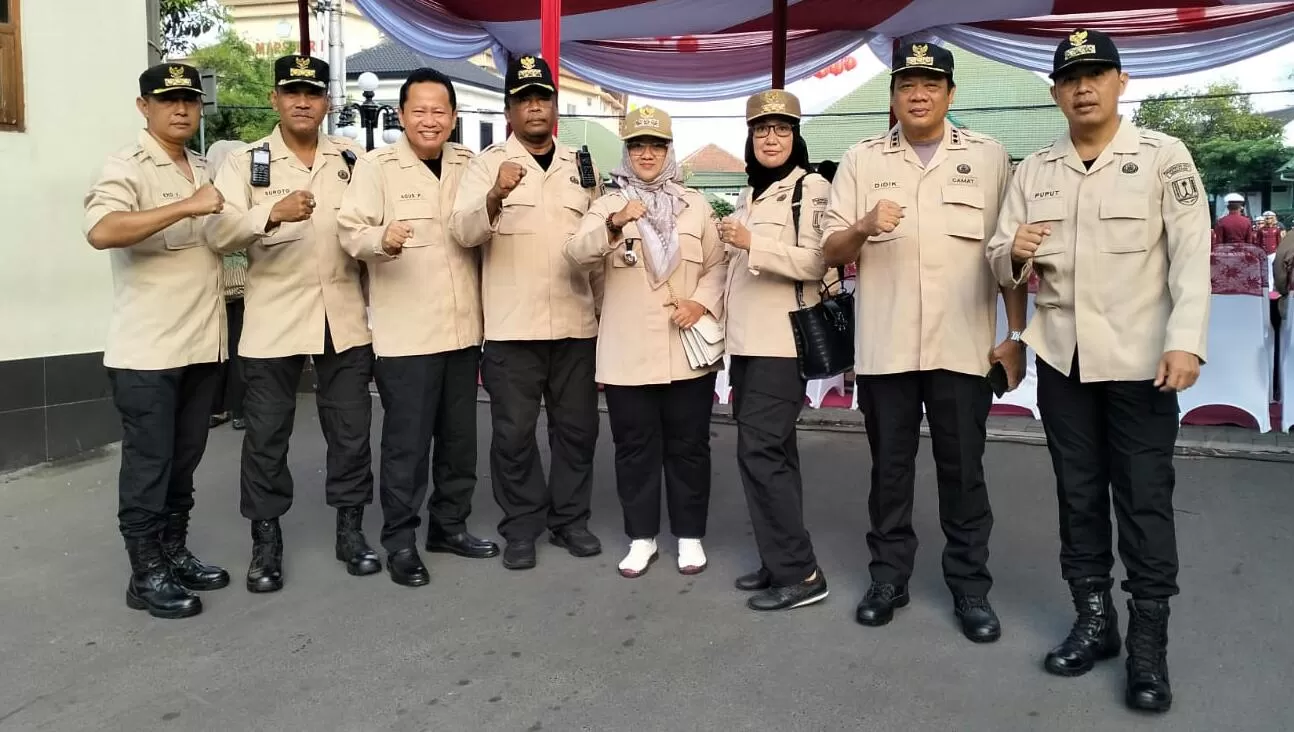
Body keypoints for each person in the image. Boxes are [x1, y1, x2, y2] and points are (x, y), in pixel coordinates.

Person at [986, 29, 1210, 713]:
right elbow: (999, 255)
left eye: (1096, 74)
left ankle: (1149, 644)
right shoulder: (1035, 171)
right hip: (1062, 358)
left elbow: (1190, 255)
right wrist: (1013, 253)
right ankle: (1094, 620)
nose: (1083, 87)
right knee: (1077, 496)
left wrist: (1186, 343)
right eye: (1070, 78)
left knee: (1143, 499)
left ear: (1121, 82)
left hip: (1143, 361)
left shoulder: (1163, 156)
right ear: (1055, 92)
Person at [820, 41, 1024, 643]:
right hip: (885, 350)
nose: (917, 93)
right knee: (889, 472)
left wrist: (1014, 336)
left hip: (962, 349)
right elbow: (828, 252)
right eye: (906, 84)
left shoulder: (989, 159)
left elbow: (1009, 256)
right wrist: (861, 225)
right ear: (893, 96)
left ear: (950, 95)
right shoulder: (860, 160)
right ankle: (888, 578)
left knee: (964, 474)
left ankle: (970, 589)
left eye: (930, 85)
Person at [205, 55, 377, 593]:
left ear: (327, 101)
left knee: (351, 432)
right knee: (266, 436)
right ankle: (266, 543)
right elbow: (218, 234)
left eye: (314, 91)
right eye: (292, 91)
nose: (303, 101)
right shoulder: (244, 162)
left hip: (342, 317)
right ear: (276, 99)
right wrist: (269, 214)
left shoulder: (353, 158)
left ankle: (350, 532)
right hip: (273, 319)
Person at [337, 67, 499, 588]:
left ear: (453, 117)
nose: (430, 120)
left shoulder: (469, 164)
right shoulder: (377, 167)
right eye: (419, 110)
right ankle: (401, 540)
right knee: (407, 445)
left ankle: (448, 526)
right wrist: (384, 238)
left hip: (461, 330)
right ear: (402, 115)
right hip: (406, 334)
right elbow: (350, 232)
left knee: (459, 442)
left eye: (440, 111)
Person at [83, 62, 230, 619]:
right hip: (147, 353)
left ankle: (173, 552)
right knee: (149, 464)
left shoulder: (201, 165)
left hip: (200, 344)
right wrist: (187, 206)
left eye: (190, 101)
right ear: (144, 107)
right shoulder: (128, 164)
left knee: (184, 461)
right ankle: (144, 572)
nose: (181, 110)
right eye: (168, 101)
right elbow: (103, 231)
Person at [449, 55, 603, 570]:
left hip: (575, 322)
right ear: (509, 109)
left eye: (543, 97)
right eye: (523, 99)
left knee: (577, 431)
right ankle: (521, 526)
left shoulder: (581, 165)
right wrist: (495, 194)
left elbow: (597, 243)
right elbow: (464, 233)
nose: (534, 106)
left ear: (554, 106)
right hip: (513, 328)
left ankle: (570, 521)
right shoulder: (485, 163)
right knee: (513, 436)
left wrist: (604, 317)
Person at [564, 106, 727, 578]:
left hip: (684, 350)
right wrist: (614, 225)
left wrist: (700, 302)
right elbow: (574, 255)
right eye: (638, 146)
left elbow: (717, 265)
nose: (647, 154)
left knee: (689, 446)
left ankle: (690, 535)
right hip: (626, 350)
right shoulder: (604, 205)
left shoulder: (694, 204)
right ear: (627, 151)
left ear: (669, 150)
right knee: (634, 447)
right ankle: (642, 537)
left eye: (656, 145)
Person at [715, 89, 830, 611]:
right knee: (775, 455)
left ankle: (801, 573)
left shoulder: (812, 188)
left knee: (759, 453)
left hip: (782, 344)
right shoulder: (751, 193)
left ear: (796, 136)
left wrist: (749, 243)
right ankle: (778, 558)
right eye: (762, 130)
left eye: (782, 129)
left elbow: (816, 263)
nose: (771, 138)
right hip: (749, 346)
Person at [205, 140, 248, 432]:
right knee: (241, 346)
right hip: (244, 282)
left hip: (216, 283)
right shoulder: (241, 188)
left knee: (220, 347)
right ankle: (241, 409)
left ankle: (216, 408)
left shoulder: (207, 190)